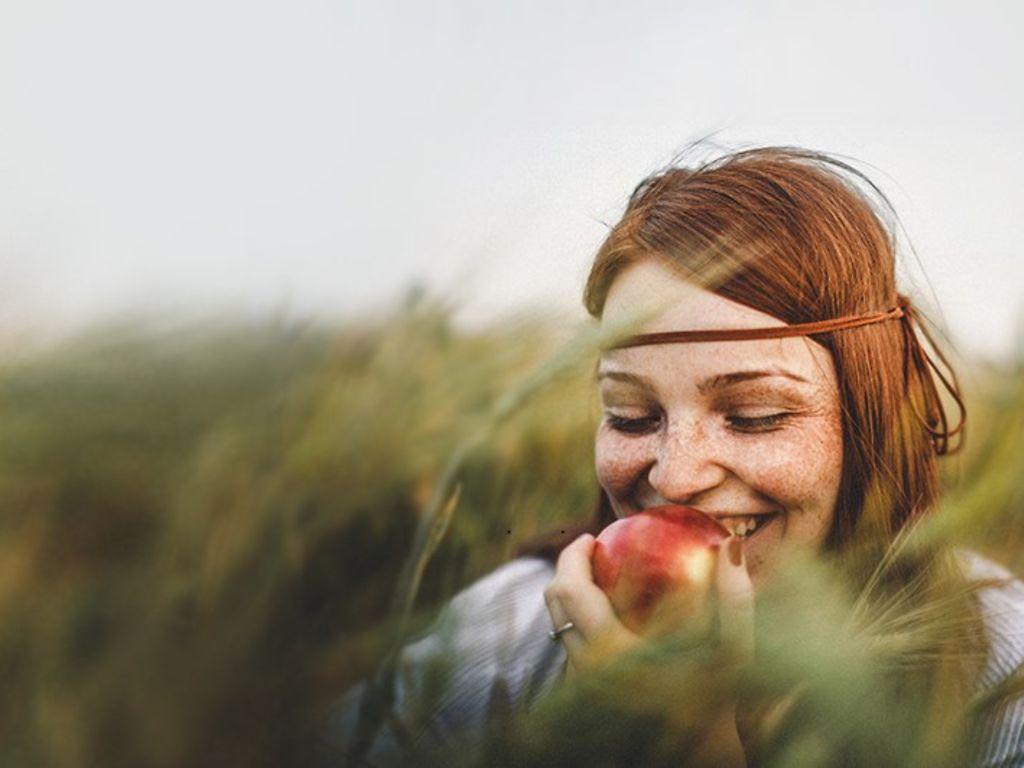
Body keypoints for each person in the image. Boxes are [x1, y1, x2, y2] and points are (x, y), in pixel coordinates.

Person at [315, 147, 1024, 767]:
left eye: (754, 416)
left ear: (869, 419)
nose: (677, 476)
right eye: (632, 415)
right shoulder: (496, 639)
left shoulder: (1002, 678)